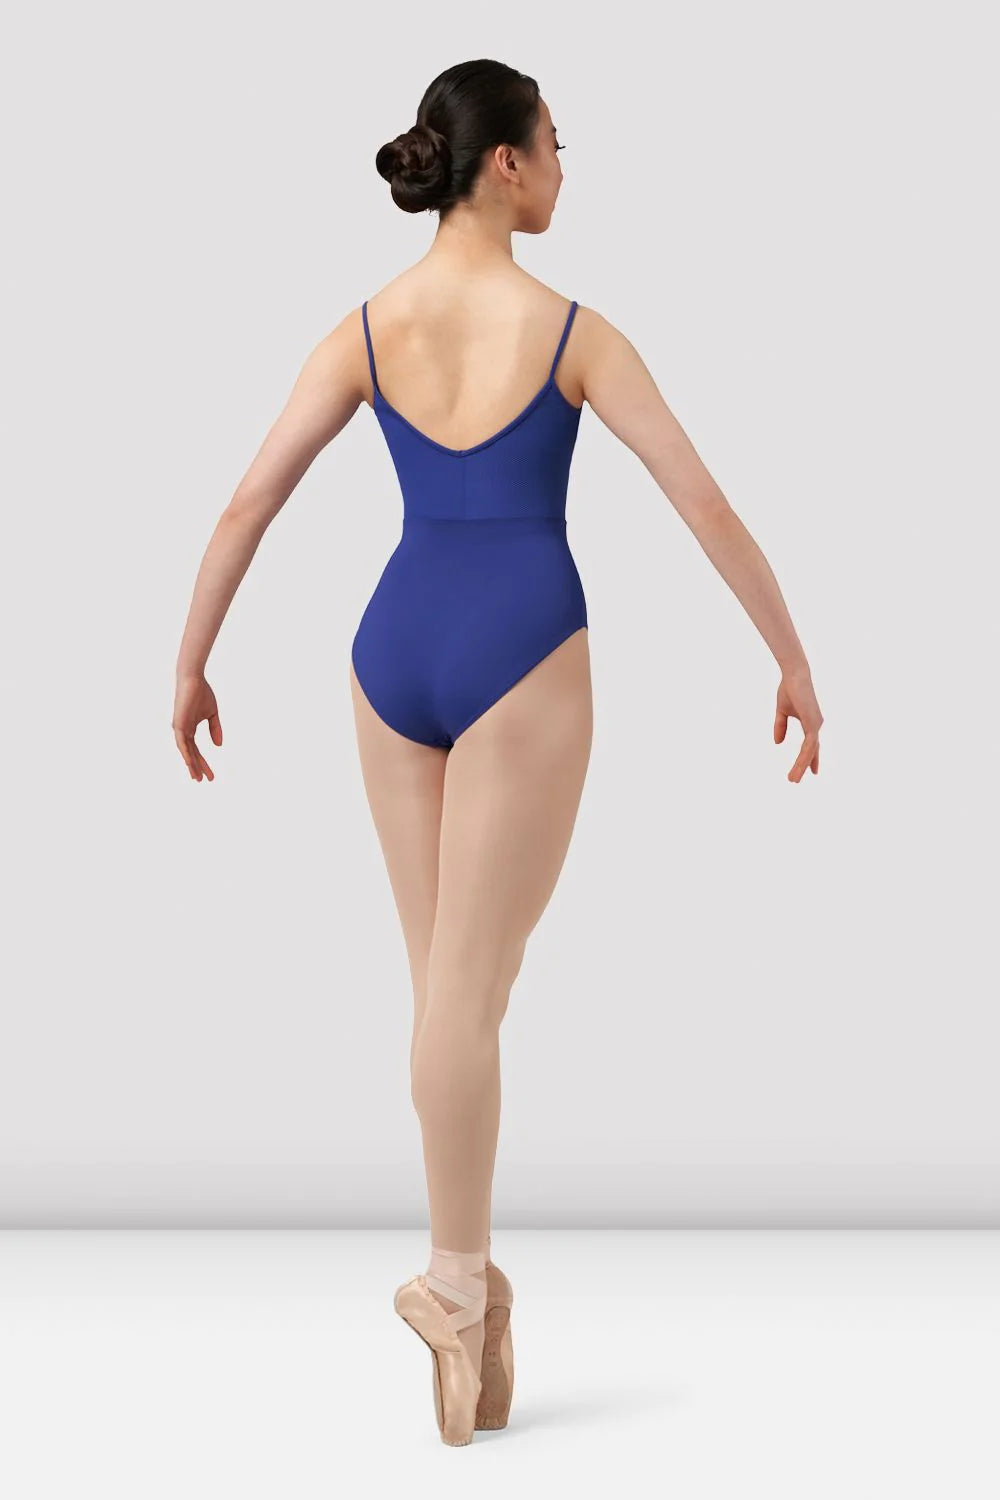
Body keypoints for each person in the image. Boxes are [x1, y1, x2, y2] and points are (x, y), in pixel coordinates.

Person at [172, 57, 823, 1446]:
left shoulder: (366, 328)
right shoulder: (574, 331)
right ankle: (455, 1285)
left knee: (446, 1002)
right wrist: (793, 659)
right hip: (522, 642)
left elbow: (244, 505)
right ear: (508, 165)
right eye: (557, 144)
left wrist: (190, 662)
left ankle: (479, 1294)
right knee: (466, 1002)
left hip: (391, 651)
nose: (567, 168)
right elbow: (702, 501)